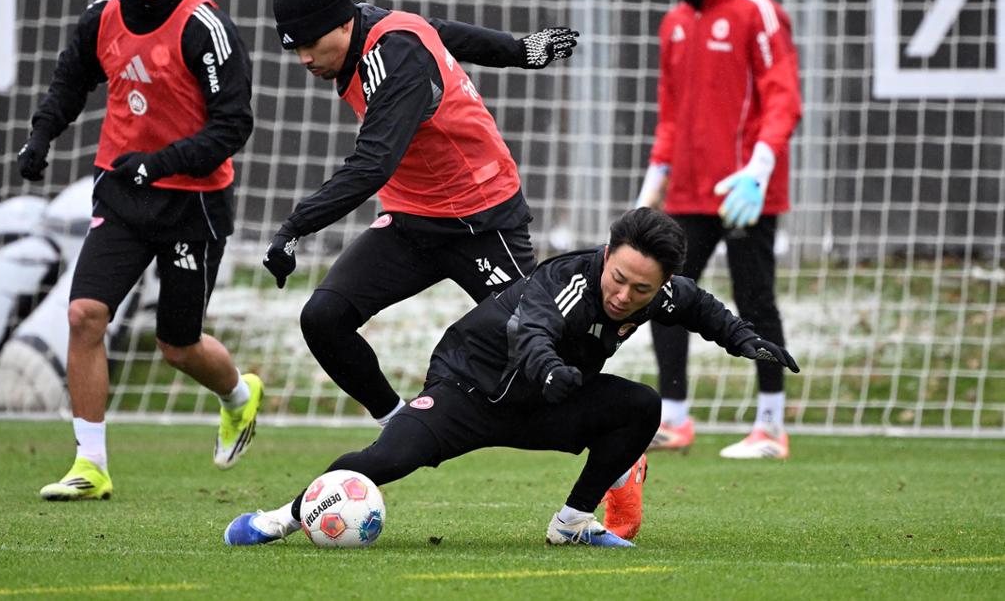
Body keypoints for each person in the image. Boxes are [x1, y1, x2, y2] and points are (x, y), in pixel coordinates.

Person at [223, 208, 798, 547]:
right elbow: (532, 331)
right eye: (618, 278)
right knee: (384, 460)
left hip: (545, 401)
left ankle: (572, 524)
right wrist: (549, 370)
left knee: (641, 406)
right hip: (466, 392)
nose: (624, 296)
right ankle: (281, 519)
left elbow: (698, 306)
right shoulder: (568, 281)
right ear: (606, 254)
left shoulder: (660, 290)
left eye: (641, 290)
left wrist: (744, 340)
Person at [262, 0, 580, 427]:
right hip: (413, 222)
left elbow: (373, 164)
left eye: (312, 43)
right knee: (323, 319)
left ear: (344, 23)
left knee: (541, 351)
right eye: (295, 47)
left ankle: (618, 451)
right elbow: (442, 32)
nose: (305, 59)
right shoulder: (375, 27)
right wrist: (519, 51)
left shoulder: (396, 59)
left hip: (481, 220)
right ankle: (398, 423)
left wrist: (296, 226)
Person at [17, 0, 264, 500]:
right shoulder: (100, 19)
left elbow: (234, 124)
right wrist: (41, 136)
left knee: (178, 346)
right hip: (123, 194)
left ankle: (238, 396)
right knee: (84, 315)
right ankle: (90, 464)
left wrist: (159, 162)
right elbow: (69, 85)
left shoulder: (204, 25)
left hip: (193, 204)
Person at [635, 0, 802, 459]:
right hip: (687, 193)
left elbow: (784, 98)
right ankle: (675, 419)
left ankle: (771, 426)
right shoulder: (673, 24)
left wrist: (757, 170)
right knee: (663, 297)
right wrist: (652, 184)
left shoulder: (758, 11)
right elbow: (670, 115)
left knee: (756, 302)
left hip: (744, 191)